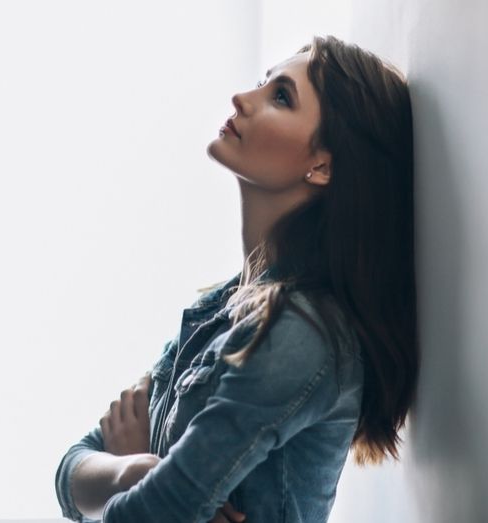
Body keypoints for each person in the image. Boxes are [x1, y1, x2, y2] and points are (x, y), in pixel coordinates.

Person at [54, 34, 418, 523]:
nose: (243, 100)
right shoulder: (222, 306)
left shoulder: (299, 332)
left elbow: (144, 515)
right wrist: (132, 471)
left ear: (323, 164)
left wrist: (131, 486)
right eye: (263, 83)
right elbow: (70, 469)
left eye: (281, 97)